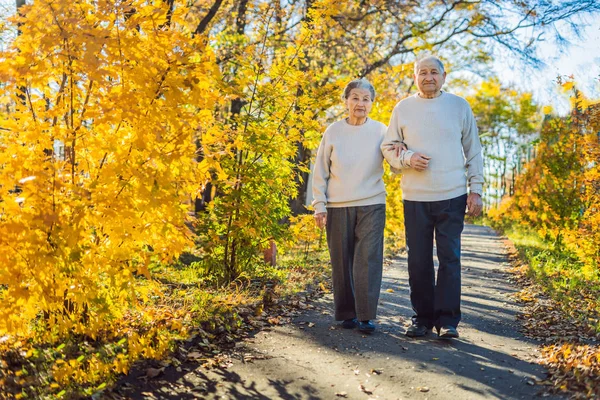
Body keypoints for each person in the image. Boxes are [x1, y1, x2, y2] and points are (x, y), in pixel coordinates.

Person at [381, 55, 484, 339]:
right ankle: (422, 320)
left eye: (433, 72)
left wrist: (476, 189)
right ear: (415, 77)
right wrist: (408, 158)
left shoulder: (459, 106)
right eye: (422, 72)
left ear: (444, 75)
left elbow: (473, 150)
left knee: (450, 258)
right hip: (415, 197)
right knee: (419, 260)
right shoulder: (403, 108)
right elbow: (388, 148)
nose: (428, 77)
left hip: (453, 195)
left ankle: (448, 322)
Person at [312, 78, 389, 333]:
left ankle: (366, 316)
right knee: (341, 259)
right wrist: (319, 204)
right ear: (346, 101)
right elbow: (320, 169)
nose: (360, 103)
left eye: (366, 99)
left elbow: (396, 160)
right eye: (355, 98)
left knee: (368, 258)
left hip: (372, 202)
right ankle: (347, 313)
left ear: (372, 104)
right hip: (337, 204)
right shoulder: (333, 131)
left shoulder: (381, 131)